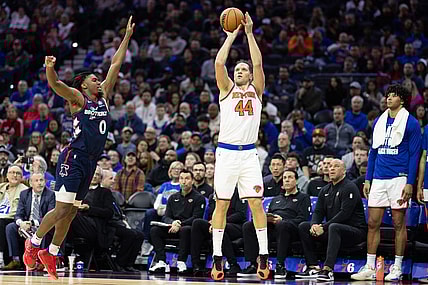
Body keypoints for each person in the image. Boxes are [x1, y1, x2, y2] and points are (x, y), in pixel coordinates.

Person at [23, 16, 135, 280]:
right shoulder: (78, 98)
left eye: (99, 79)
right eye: (94, 79)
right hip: (73, 158)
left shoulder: (104, 96)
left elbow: (115, 64)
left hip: (91, 161)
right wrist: (49, 67)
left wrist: (127, 37)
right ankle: (34, 242)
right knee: (62, 209)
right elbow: (56, 85)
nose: (99, 82)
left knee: (71, 212)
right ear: (83, 85)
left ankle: (51, 251)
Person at [211, 12, 268, 281]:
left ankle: (263, 256)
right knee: (221, 205)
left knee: (256, 203)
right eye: (238, 70)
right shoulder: (226, 90)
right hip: (226, 154)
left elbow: (258, 62)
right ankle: (217, 258)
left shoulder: (257, 90)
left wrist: (248, 33)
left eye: (243, 69)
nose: (240, 71)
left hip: (248, 155)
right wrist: (231, 36)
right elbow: (219, 62)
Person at [351, 84, 422, 281]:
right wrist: (368, 179)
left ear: (403, 99)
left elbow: (415, 154)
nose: (388, 99)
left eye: (393, 96)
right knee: (373, 222)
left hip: (398, 177)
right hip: (379, 178)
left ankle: (397, 266)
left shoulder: (412, 123)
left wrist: (410, 182)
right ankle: (370, 266)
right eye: (387, 95)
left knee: (399, 223)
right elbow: (373, 151)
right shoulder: (379, 122)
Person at [297, 159, 367, 282]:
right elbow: (318, 212)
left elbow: (345, 214)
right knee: (304, 226)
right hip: (333, 230)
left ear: (344, 171)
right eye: (330, 166)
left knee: (334, 226)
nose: (332, 169)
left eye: (336, 166)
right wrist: (314, 226)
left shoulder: (350, 187)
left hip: (355, 232)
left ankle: (328, 270)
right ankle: (313, 266)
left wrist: (323, 228)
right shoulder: (325, 190)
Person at [240, 170, 310, 279]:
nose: (286, 180)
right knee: (248, 226)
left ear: (296, 181)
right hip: (273, 227)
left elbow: (303, 218)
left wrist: (283, 219)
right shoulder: (276, 199)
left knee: (282, 225)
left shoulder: (303, 197)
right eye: (285, 178)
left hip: (292, 229)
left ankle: (280, 265)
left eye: (290, 177)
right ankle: (254, 264)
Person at [149, 170, 205, 274]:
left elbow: (197, 217)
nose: (184, 181)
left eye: (187, 178)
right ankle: (161, 261)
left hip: (187, 228)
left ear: (192, 181)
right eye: (181, 178)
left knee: (186, 230)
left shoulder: (199, 198)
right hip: (172, 227)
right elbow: (166, 217)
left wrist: (179, 224)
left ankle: (181, 262)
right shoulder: (173, 197)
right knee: (155, 230)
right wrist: (173, 222)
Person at [5, 172, 55, 270]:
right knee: (10, 227)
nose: (39, 183)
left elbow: (50, 216)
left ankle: (40, 261)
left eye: (41, 180)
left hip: (41, 224)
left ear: (45, 182)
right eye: (36, 181)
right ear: (31, 183)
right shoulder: (24, 194)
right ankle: (16, 260)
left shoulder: (50, 195)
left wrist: (32, 223)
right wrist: (21, 223)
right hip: (26, 226)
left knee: (45, 228)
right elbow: (18, 214)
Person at [191, 190, 247, 276]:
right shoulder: (213, 195)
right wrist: (214, 223)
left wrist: (220, 222)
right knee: (197, 223)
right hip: (216, 224)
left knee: (220, 228)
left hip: (236, 226)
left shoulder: (239, 193)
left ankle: (233, 264)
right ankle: (197, 265)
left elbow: (240, 214)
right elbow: (212, 213)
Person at [0, 165, 28, 268]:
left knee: (1, 222)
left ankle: (1, 258)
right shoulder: (2, 186)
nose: (14, 175)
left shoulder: (24, 190)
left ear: (21, 177)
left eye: (18, 173)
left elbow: (22, 211)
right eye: (12, 172)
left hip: (12, 218)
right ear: (7, 175)